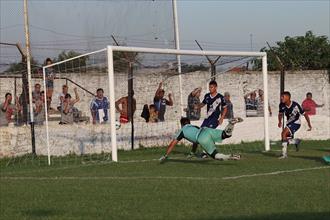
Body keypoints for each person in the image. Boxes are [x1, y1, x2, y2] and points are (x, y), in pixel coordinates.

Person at [159, 117, 242, 162]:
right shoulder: (193, 126)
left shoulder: (182, 131)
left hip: (201, 137)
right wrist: (192, 153)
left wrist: (165, 155)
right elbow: (195, 142)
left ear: (182, 125)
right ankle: (231, 124)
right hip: (205, 129)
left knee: (215, 155)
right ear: (189, 123)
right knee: (225, 134)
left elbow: (172, 144)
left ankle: (230, 156)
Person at [189, 80, 227, 157]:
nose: (210, 89)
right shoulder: (207, 96)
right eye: (209, 87)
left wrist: (222, 118)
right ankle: (193, 152)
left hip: (214, 119)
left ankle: (205, 152)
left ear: (216, 87)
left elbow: (225, 108)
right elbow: (203, 104)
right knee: (199, 134)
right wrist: (197, 106)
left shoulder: (220, 97)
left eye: (211, 87)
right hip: (207, 119)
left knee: (207, 134)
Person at [278, 91, 312, 159]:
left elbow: (305, 114)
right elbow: (280, 114)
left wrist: (309, 123)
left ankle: (284, 155)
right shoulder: (281, 105)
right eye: (281, 97)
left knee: (283, 134)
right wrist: (279, 121)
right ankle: (296, 141)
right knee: (285, 140)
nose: (281, 98)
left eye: (283, 96)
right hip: (289, 123)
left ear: (288, 97)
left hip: (296, 123)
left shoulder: (295, 105)